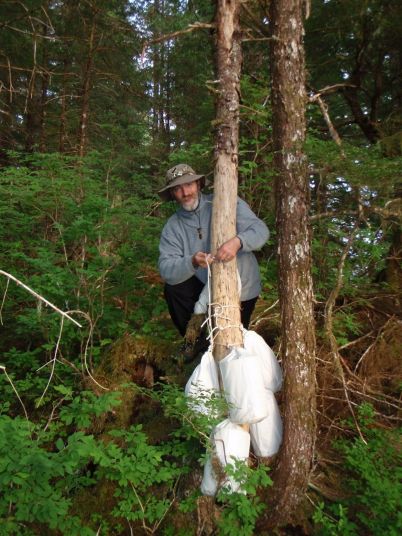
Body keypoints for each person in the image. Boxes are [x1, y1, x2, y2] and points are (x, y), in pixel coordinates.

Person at [158, 163, 269, 338]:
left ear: (199, 185)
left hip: (241, 285)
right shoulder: (173, 226)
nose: (185, 193)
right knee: (173, 289)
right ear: (172, 194)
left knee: (233, 337)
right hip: (203, 285)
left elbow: (261, 231)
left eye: (189, 185)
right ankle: (194, 340)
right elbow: (166, 268)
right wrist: (192, 261)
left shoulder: (225, 201)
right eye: (178, 189)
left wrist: (238, 242)